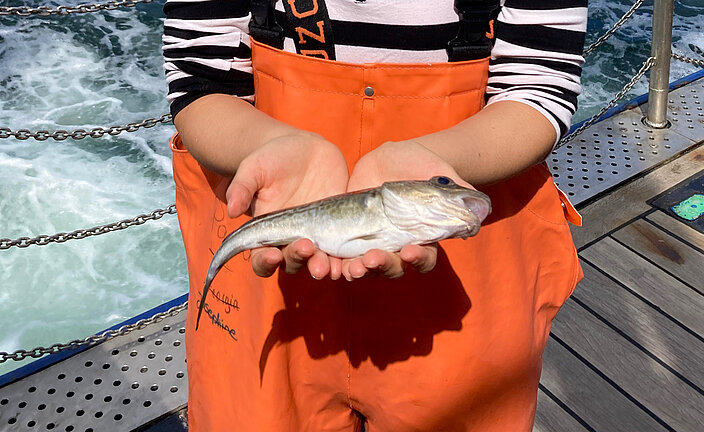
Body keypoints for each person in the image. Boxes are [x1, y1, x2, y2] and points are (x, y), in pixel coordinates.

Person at [163, 0, 586, 430]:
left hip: (470, 296)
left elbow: (541, 85)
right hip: (272, 295)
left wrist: (436, 163)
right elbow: (199, 78)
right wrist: (266, 146)